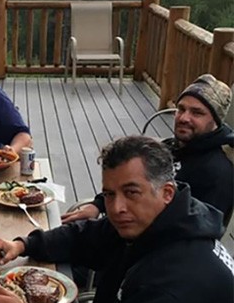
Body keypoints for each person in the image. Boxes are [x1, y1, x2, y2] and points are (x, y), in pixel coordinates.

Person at [0, 135, 233, 303]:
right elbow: (85, 236)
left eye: (131, 192)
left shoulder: (183, 278)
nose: (116, 208)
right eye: (109, 194)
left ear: (167, 192)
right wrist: (24, 245)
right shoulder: (159, 221)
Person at [62, 74, 234, 227]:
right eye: (181, 109)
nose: (184, 118)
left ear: (216, 121)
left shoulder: (218, 172)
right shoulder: (170, 147)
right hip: (126, 227)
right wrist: (97, 205)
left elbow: (203, 227)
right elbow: (126, 181)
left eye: (197, 113)